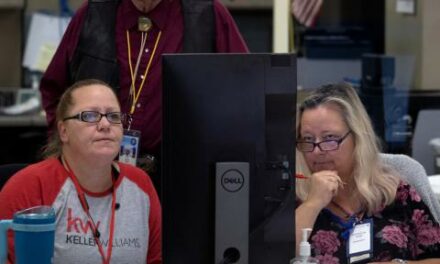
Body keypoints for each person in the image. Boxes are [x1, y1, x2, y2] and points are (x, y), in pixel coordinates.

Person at [39, 0, 249, 189]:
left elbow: (244, 89)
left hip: (184, 178)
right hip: (99, 173)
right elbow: (55, 91)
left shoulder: (207, 14)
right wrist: (66, 152)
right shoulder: (92, 14)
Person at [0, 79, 161, 263]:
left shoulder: (140, 185)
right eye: (90, 116)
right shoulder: (30, 186)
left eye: (114, 116)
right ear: (63, 131)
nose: (105, 124)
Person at [295, 83, 440, 264]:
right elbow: (270, 254)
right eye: (308, 139)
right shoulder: (291, 196)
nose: (317, 151)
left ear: (357, 138)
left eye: (330, 138)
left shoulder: (397, 191)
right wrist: (313, 203)